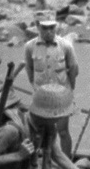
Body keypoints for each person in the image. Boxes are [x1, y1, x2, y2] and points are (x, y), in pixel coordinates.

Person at [25, 10, 79, 160]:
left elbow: (74, 69)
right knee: (38, 131)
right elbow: (29, 69)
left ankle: (66, 164)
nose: (49, 32)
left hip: (62, 96)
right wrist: (35, 88)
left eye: (52, 28)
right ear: (37, 26)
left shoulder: (65, 46)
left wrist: (69, 90)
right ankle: (37, 163)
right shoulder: (30, 47)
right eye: (45, 28)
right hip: (41, 98)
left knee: (63, 131)